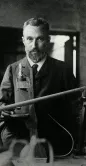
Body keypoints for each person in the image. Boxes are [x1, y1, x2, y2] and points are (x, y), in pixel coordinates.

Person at [0, 17, 77, 158]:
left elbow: (76, 107)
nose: (34, 45)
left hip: (55, 146)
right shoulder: (12, 70)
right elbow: (3, 104)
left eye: (40, 39)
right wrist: (4, 110)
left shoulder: (62, 70)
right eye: (29, 39)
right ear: (23, 40)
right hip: (19, 145)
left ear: (48, 40)